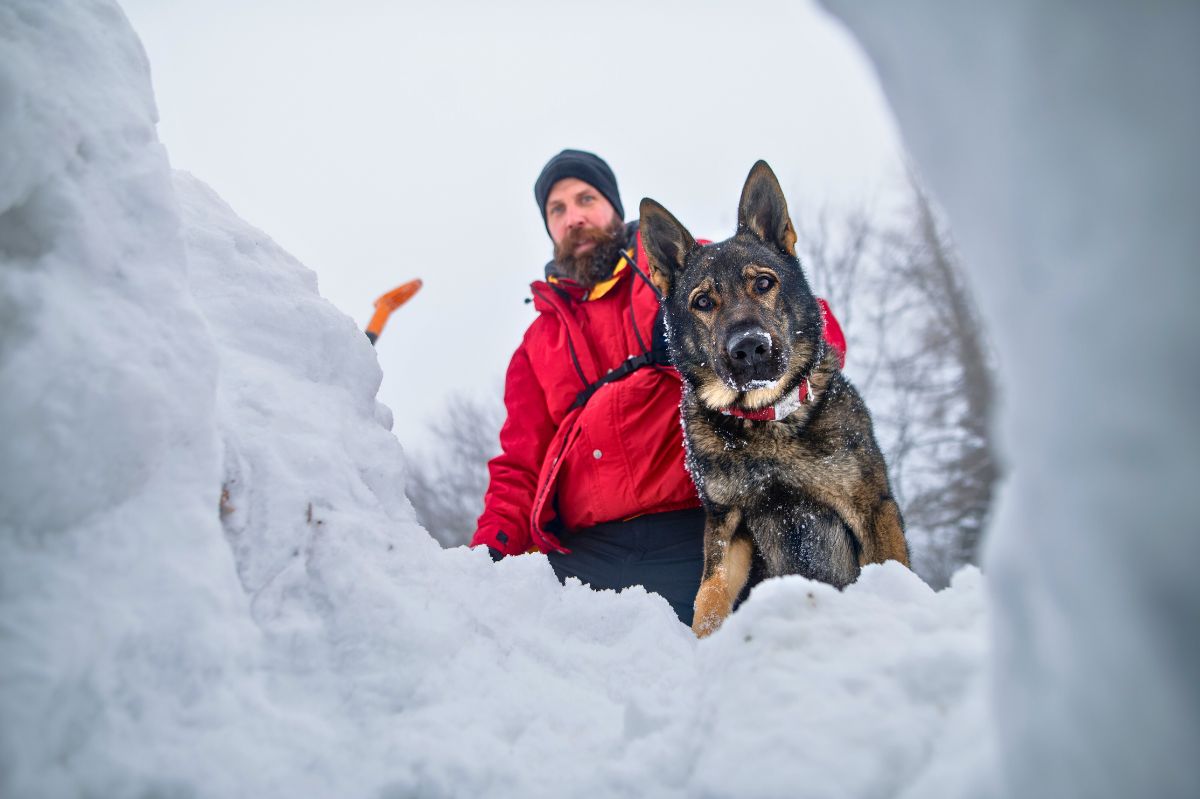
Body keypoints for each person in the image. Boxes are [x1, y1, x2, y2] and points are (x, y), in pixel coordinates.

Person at [471, 149, 845, 626]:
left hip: (700, 527)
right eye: (557, 210)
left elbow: (807, 323)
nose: (574, 218)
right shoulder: (535, 344)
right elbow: (518, 467)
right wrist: (485, 559)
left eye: (585, 199)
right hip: (584, 552)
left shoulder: (694, 278)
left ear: (615, 207)